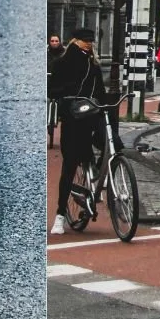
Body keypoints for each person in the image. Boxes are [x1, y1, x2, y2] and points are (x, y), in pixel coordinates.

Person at [48, 28, 106, 235]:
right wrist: (67, 95)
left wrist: (105, 106)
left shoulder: (94, 65)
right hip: (73, 118)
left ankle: (103, 173)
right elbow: (52, 89)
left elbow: (101, 92)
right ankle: (60, 215)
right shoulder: (62, 63)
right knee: (70, 165)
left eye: (91, 41)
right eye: (84, 40)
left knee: (112, 141)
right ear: (75, 41)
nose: (88, 44)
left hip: (92, 115)